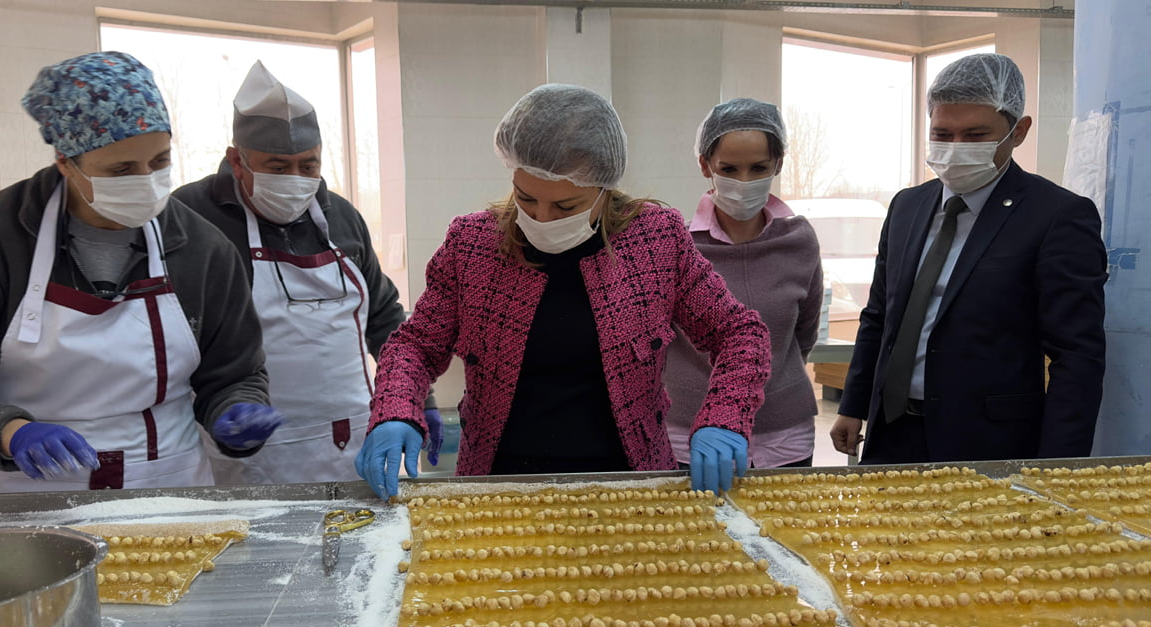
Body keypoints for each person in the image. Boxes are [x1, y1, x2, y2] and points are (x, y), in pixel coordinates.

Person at [0, 51, 283, 493]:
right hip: (27, 490)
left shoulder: (200, 247)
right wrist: (9, 433)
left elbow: (234, 372)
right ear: (65, 161)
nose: (146, 180)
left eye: (159, 161)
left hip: (168, 485)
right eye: (121, 170)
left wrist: (235, 407)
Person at [355, 84, 771, 499]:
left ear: (604, 188)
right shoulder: (473, 245)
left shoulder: (655, 240)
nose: (541, 217)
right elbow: (415, 345)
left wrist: (724, 416)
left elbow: (740, 333)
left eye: (566, 207)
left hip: (630, 484)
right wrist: (395, 410)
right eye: (526, 198)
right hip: (498, 485)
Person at [830, 53, 1106, 464]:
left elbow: (1077, 356)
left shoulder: (1056, 216)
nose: (956, 148)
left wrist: (1057, 466)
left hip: (989, 443)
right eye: (942, 134)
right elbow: (879, 315)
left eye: (976, 135)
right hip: (893, 434)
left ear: (1018, 131)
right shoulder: (907, 206)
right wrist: (853, 404)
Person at [174, 61, 442, 485]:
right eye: (278, 168)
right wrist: (221, 407)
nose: (296, 180)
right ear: (237, 161)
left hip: (356, 441)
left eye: (308, 166)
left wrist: (417, 398)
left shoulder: (342, 217)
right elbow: (171, 330)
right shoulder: (193, 217)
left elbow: (383, 318)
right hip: (250, 453)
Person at [665, 99, 823, 469]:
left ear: (778, 164)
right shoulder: (678, 244)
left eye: (758, 168)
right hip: (690, 434)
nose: (744, 182)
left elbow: (804, 333)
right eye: (729, 169)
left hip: (784, 435)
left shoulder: (799, 241)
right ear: (705, 165)